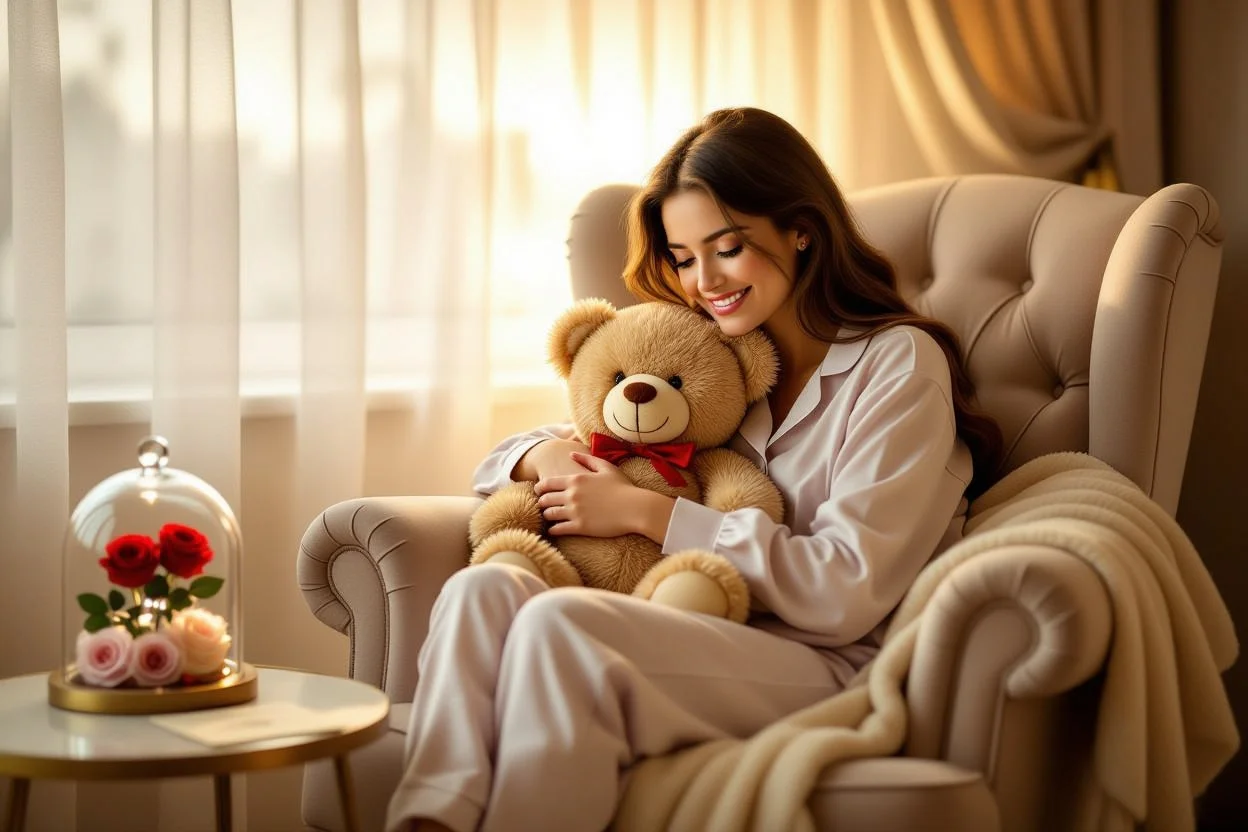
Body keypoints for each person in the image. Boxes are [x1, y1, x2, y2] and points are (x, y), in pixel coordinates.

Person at [385, 107, 1002, 832]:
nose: (704, 280)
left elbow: (847, 589)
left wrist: (649, 514)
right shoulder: (719, 367)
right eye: (682, 257)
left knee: (563, 627)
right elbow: (513, 455)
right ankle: (429, 821)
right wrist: (546, 455)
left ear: (800, 228)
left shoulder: (896, 365)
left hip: (823, 659)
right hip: (691, 632)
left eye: (728, 247)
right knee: (481, 591)